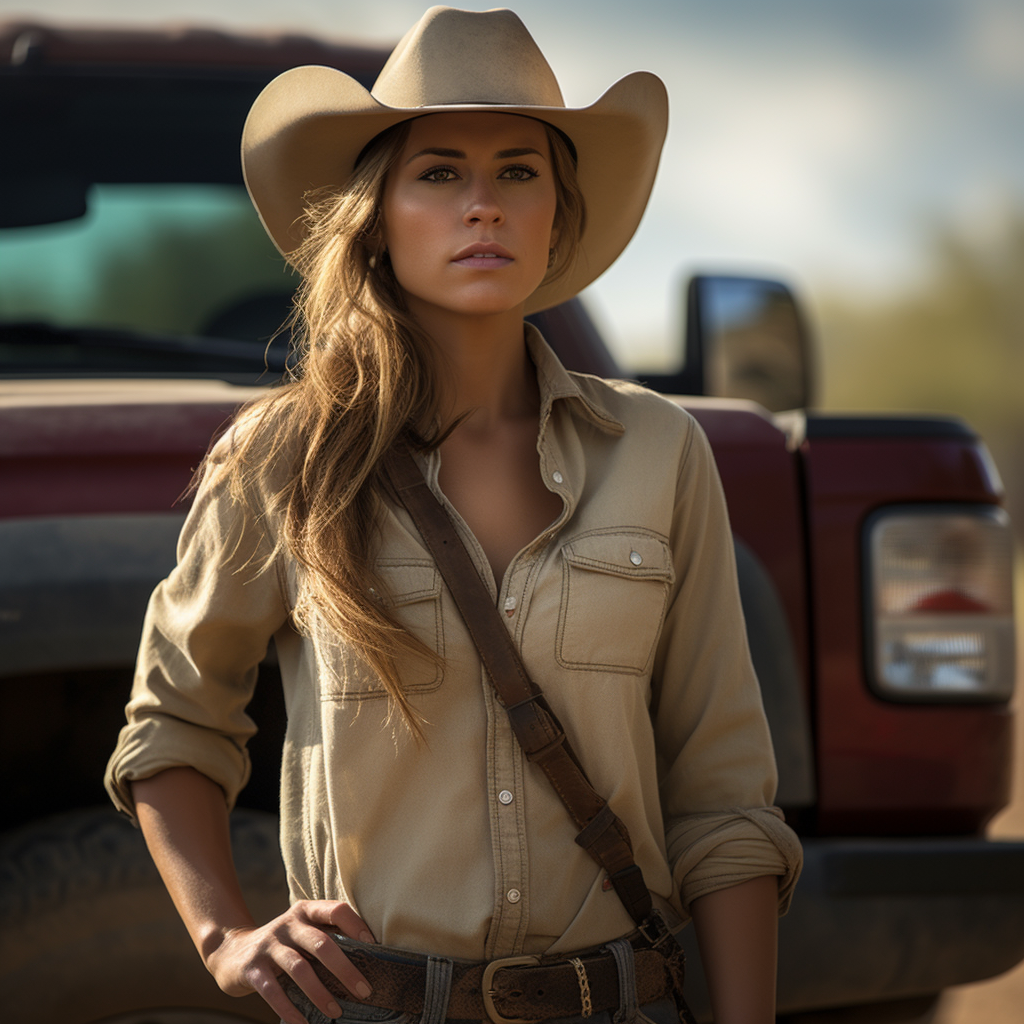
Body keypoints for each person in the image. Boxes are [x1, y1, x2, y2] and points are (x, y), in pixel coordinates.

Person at [105, 7, 802, 1024]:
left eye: (518, 171)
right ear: (376, 215)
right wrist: (223, 937)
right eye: (439, 173)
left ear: (557, 212)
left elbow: (724, 792)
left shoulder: (659, 453)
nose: (484, 205)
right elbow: (174, 719)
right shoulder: (284, 459)